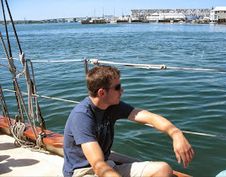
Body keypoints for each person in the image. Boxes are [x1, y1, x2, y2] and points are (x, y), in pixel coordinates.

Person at [63, 65, 194, 177]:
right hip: (83, 172)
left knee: (163, 169)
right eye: (118, 87)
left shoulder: (112, 106)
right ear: (102, 93)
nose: (122, 90)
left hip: (106, 165)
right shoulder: (82, 116)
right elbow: (98, 165)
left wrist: (175, 133)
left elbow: (148, 116)